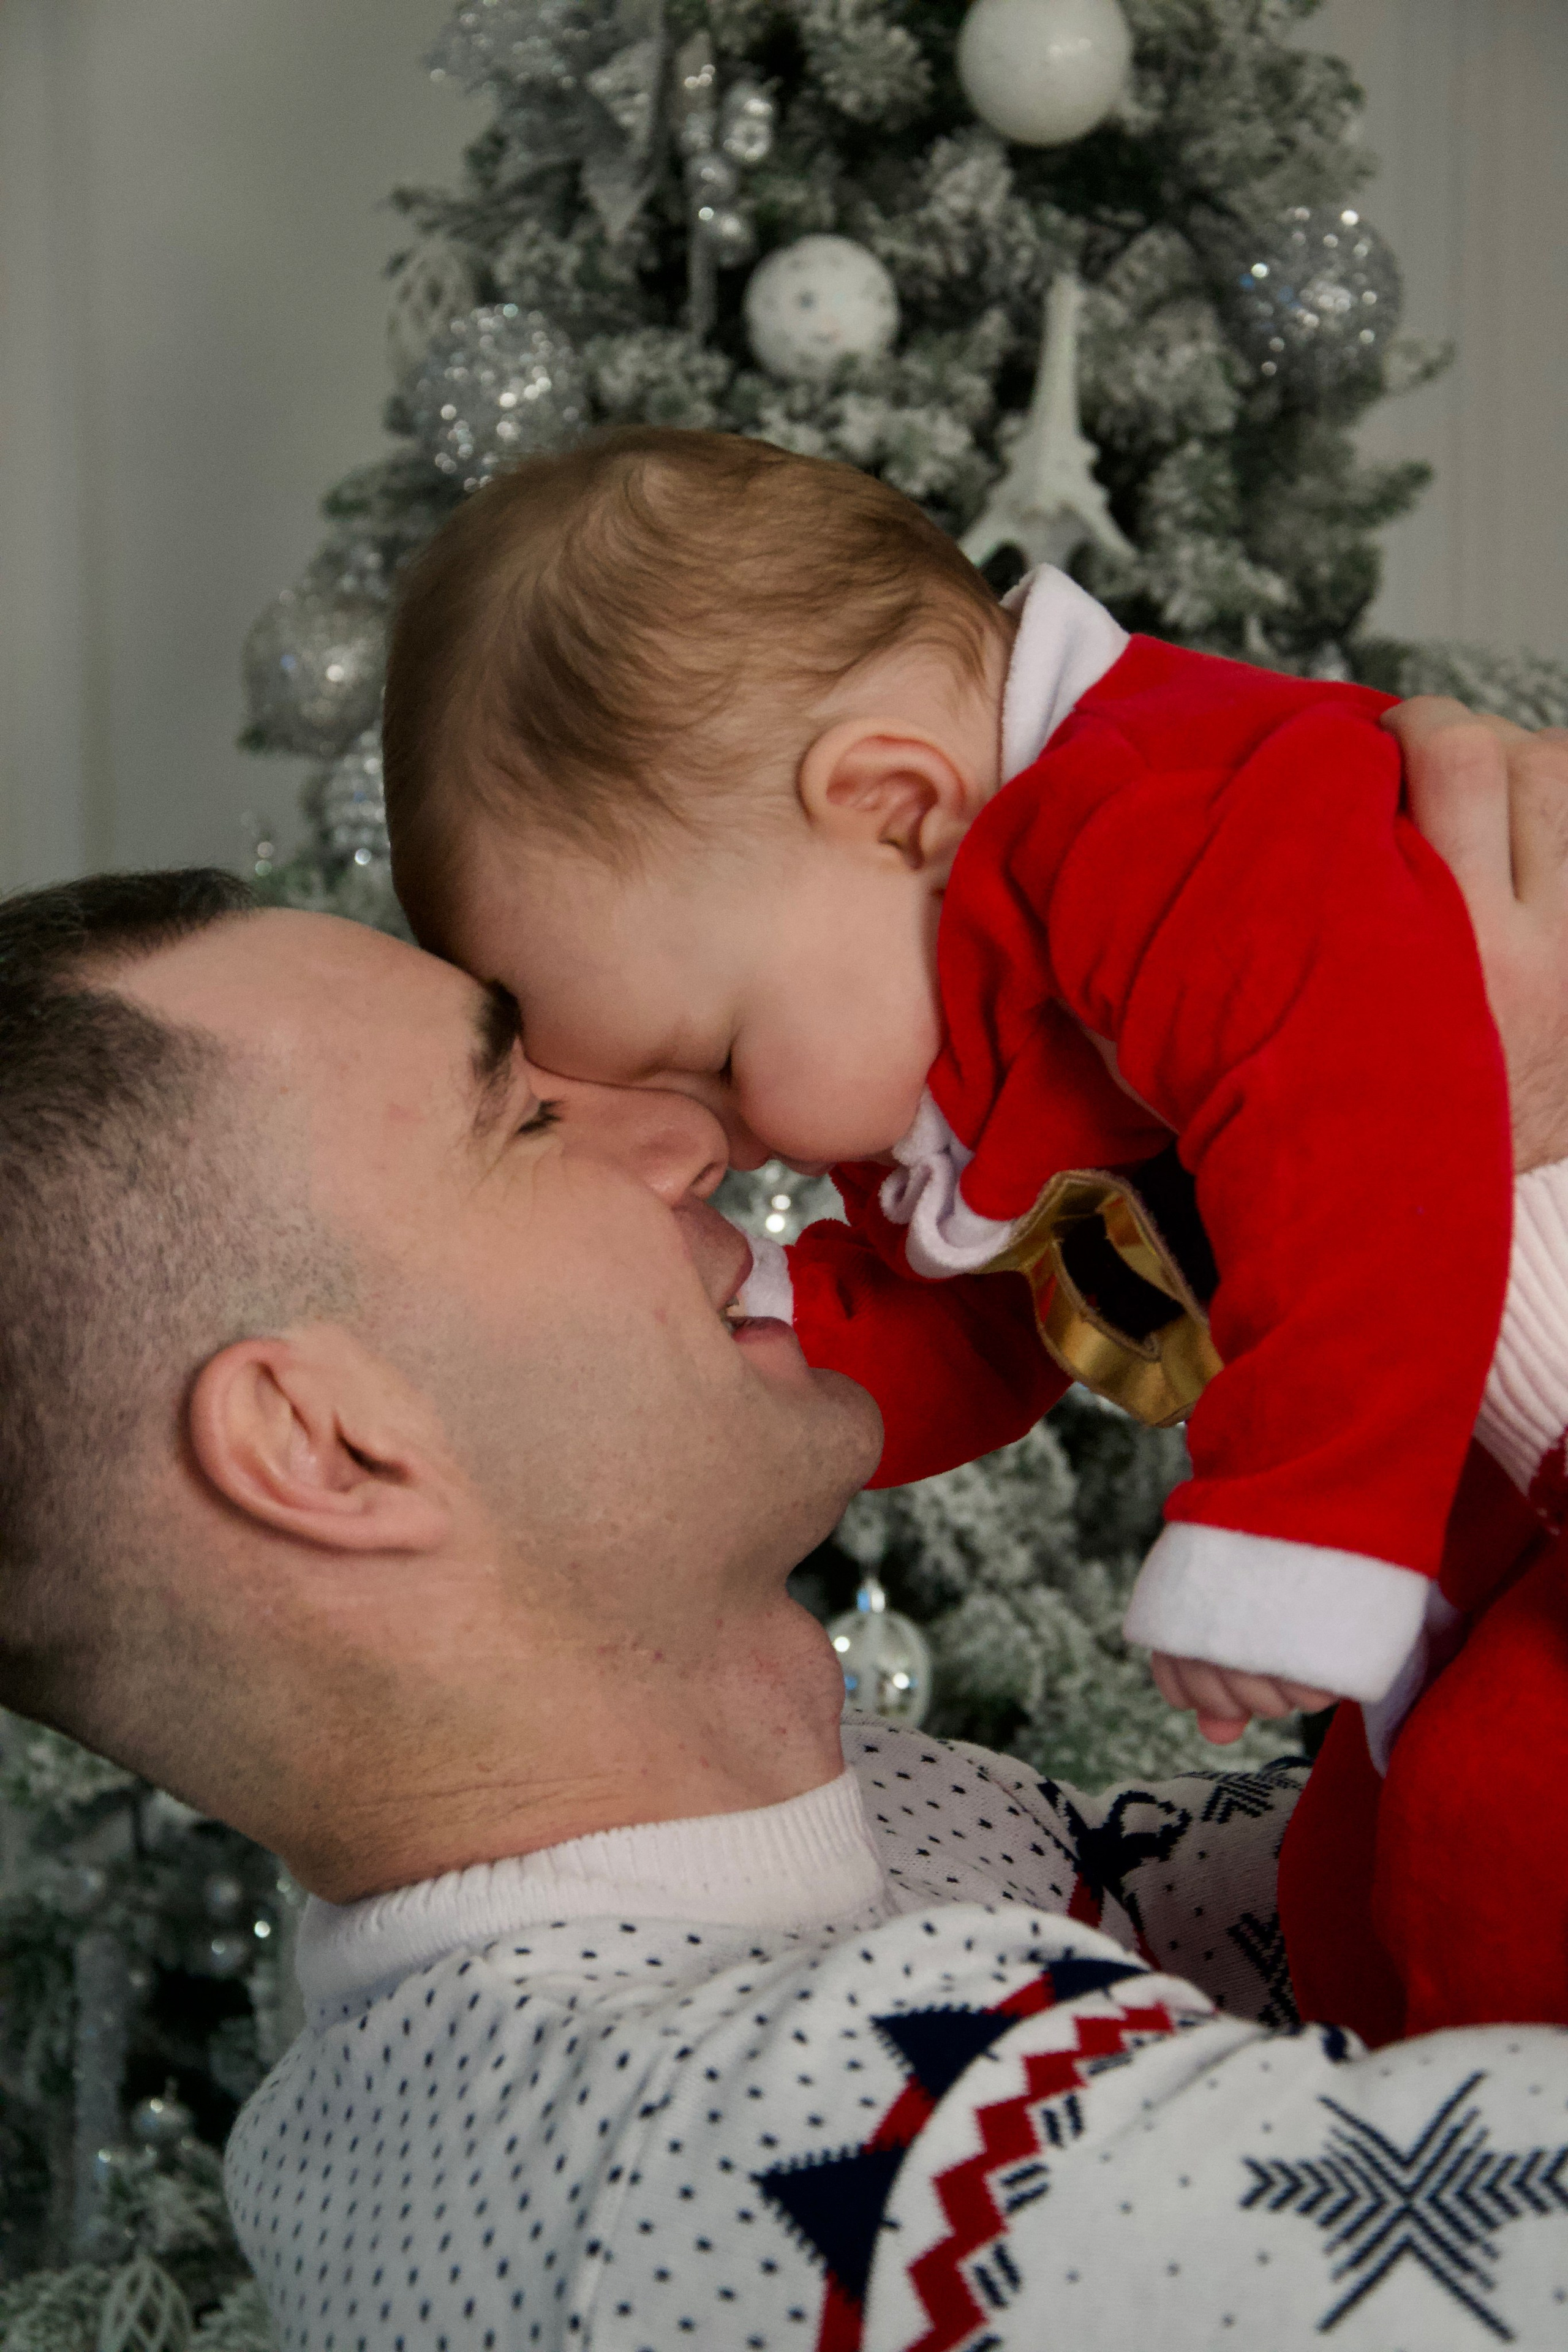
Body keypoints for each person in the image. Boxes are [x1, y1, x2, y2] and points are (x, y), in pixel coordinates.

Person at [0, 704, 1562, 2348]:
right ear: (327, 1447)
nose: (697, 1135)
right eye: (523, 1122)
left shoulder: (856, 1839)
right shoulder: (732, 2184)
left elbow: (1420, 1896)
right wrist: (1473, 1140)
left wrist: (1335, 1132)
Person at [375, 428, 1531, 2037]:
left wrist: (1299, 1519)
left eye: (714, 1053)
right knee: (1359, 1888)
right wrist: (765, 1327)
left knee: (1499, 1818)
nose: (731, 1135)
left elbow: (1367, 1126)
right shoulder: (982, 992)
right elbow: (1004, 1315)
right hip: (1508, 1529)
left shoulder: (1164, 814)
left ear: (895, 803)